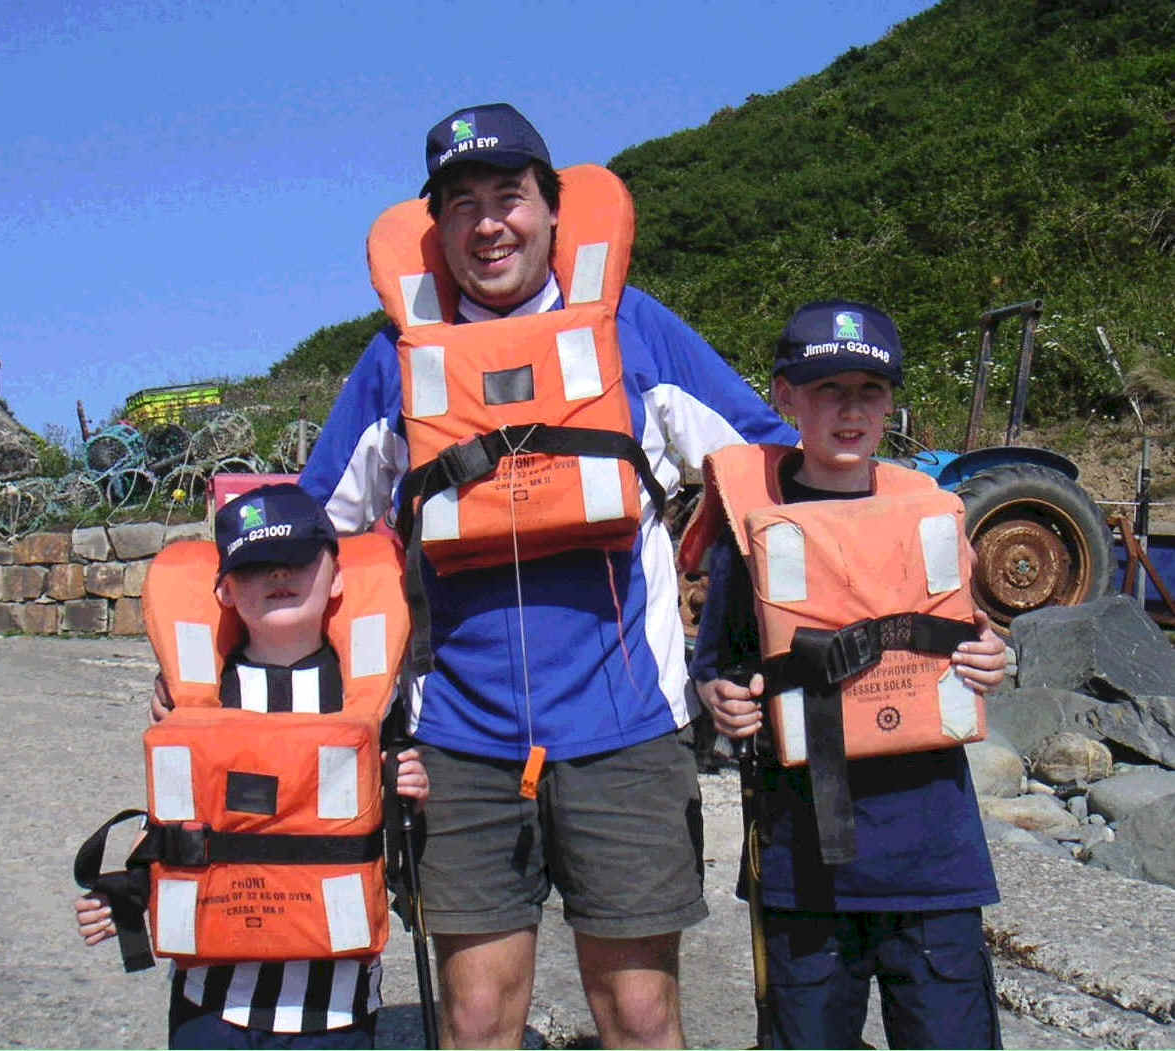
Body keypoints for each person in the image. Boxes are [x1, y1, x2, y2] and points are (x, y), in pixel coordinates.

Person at [296, 102, 800, 1048]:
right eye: (461, 205)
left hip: (628, 726)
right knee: (479, 1016)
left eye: (509, 196)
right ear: (437, 228)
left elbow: (769, 476)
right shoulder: (392, 362)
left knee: (641, 1013)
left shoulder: (634, 330)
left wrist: (741, 647)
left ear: (554, 210)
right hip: (460, 736)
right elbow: (313, 535)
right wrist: (228, 672)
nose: (488, 224)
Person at [686, 300, 1007, 1049]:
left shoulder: (928, 513)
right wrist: (721, 699)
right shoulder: (748, 529)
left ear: (893, 400)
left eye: (870, 390)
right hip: (806, 868)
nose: (851, 410)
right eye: (829, 389)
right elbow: (715, 668)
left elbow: (976, 639)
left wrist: (994, 660)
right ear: (785, 398)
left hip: (933, 856)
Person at [76, 482, 428, 1050]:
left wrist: (410, 796)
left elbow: (396, 851)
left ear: (336, 576)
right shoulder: (196, 701)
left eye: (296, 561)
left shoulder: (374, 705)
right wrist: (130, 891)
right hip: (211, 1003)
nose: (279, 576)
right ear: (225, 591)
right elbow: (179, 825)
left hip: (334, 1007)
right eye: (257, 567)